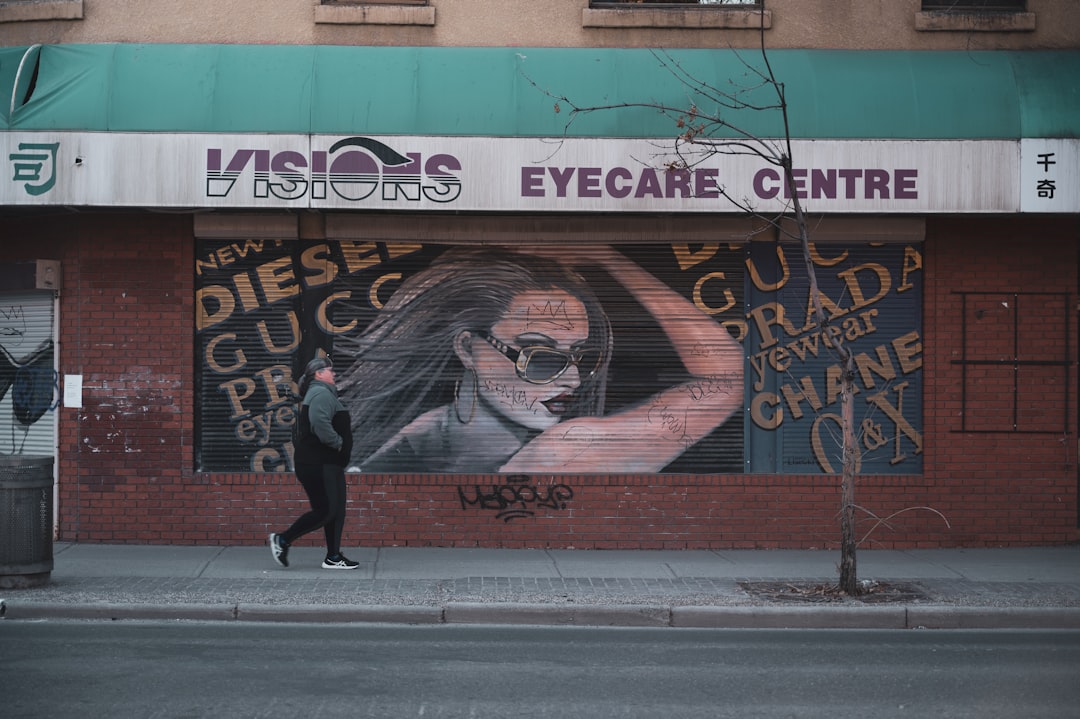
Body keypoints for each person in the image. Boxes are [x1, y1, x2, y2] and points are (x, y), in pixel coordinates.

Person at [336, 245, 743, 473]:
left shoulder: (431, 433)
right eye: (540, 355)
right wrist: (613, 260)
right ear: (467, 349)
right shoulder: (561, 451)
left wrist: (611, 260)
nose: (573, 380)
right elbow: (727, 380)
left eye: (582, 358)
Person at [269, 355, 358, 569]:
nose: (334, 373)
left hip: (329, 463)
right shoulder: (319, 392)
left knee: (336, 511)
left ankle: (333, 557)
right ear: (319, 373)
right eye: (330, 370)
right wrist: (337, 443)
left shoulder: (323, 393)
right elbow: (320, 424)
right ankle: (283, 539)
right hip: (319, 462)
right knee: (326, 510)